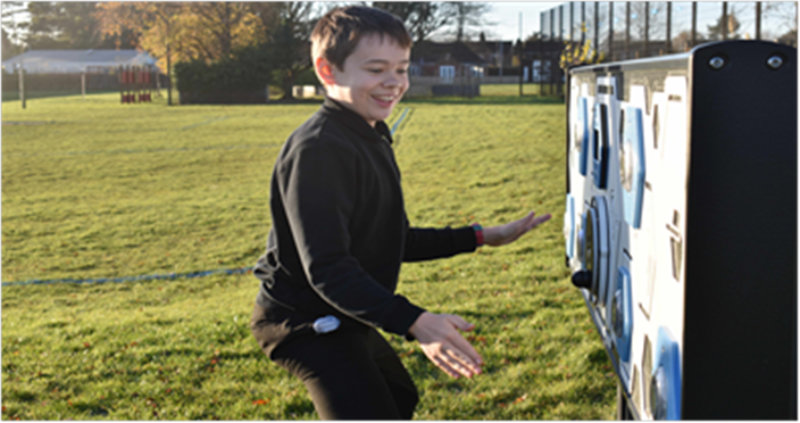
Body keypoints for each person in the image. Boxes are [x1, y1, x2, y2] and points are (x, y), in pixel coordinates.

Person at [249, 5, 551, 420]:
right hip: (303, 321)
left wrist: (483, 236)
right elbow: (328, 268)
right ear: (327, 71)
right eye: (376, 70)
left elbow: (394, 237)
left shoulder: (370, 134)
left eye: (402, 69)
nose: (393, 83)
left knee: (399, 397)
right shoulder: (319, 149)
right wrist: (415, 321)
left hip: (344, 309)